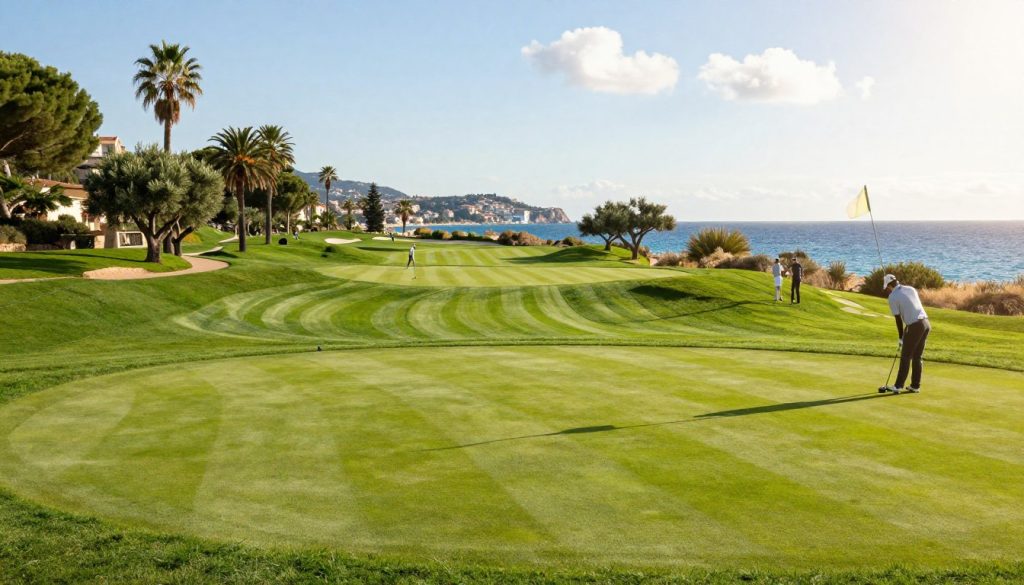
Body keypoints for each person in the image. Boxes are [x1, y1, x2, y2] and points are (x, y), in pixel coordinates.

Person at [880, 274, 931, 394]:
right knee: (917, 357)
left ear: (888, 286)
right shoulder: (911, 289)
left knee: (905, 357)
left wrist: (900, 337)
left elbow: (898, 319)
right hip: (926, 324)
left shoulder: (892, 297)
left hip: (914, 326)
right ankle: (915, 386)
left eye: (887, 287)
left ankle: (898, 386)